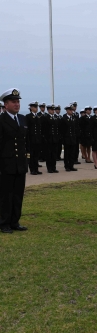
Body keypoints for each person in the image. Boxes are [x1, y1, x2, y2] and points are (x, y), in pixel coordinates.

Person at [0, 88, 29, 233]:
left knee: (18, 194)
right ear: (5, 105)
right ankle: (4, 223)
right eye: (13, 102)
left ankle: (15, 222)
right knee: (6, 195)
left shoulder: (22, 119)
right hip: (6, 164)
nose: (17, 104)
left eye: (18, 102)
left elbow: (24, 142)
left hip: (20, 164)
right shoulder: (1, 120)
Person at [41, 104, 60, 173]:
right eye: (51, 110)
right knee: (49, 154)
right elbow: (43, 129)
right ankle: (49, 168)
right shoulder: (45, 117)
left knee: (54, 154)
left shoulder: (55, 117)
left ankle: (53, 167)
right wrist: (45, 138)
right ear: (48, 110)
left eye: (53, 110)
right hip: (48, 139)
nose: (53, 111)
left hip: (55, 138)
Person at [26, 101, 43, 175]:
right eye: (34, 107)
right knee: (31, 155)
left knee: (36, 155)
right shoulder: (28, 116)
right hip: (31, 139)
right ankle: (32, 169)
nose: (36, 108)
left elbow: (40, 128)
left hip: (38, 139)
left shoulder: (38, 117)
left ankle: (36, 169)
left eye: (36, 107)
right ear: (31, 108)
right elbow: (27, 129)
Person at [59, 104, 78, 171]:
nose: (71, 111)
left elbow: (75, 128)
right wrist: (63, 139)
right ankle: (67, 166)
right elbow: (62, 130)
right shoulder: (64, 119)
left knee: (72, 153)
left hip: (72, 138)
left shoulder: (74, 118)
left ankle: (71, 165)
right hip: (66, 138)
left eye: (72, 110)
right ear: (67, 110)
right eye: (70, 110)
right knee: (67, 153)